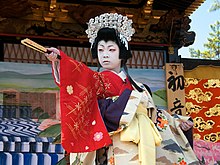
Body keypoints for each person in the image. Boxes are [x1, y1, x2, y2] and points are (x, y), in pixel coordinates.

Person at [45, 13, 199, 165]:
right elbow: (80, 77)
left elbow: (154, 114)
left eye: (111, 50)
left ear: (122, 52)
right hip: (116, 146)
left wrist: (177, 122)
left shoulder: (139, 87)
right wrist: (61, 60)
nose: (105, 55)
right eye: (101, 50)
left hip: (143, 144)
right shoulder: (98, 81)